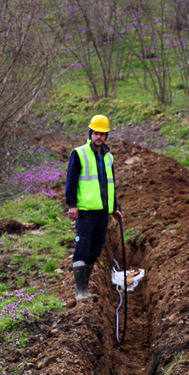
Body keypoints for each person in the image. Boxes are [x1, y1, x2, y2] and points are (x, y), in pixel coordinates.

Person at [65, 114, 122, 300]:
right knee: (82, 249)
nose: (99, 137)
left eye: (102, 134)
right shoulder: (79, 153)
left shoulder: (108, 157)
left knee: (95, 251)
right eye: (96, 133)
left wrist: (115, 207)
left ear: (106, 136)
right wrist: (72, 205)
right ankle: (80, 292)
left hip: (102, 212)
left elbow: (110, 185)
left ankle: (86, 289)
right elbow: (71, 180)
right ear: (90, 133)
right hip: (87, 211)